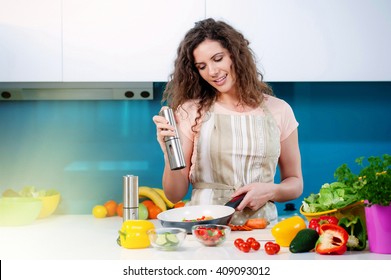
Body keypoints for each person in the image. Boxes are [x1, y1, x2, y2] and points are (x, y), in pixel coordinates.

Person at [152, 18, 303, 224]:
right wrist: (169, 154)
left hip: (261, 230)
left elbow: (295, 182)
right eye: (202, 66)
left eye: (218, 58)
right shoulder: (190, 111)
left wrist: (271, 191)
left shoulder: (280, 110)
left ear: (235, 55)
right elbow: (174, 194)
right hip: (204, 229)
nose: (212, 72)